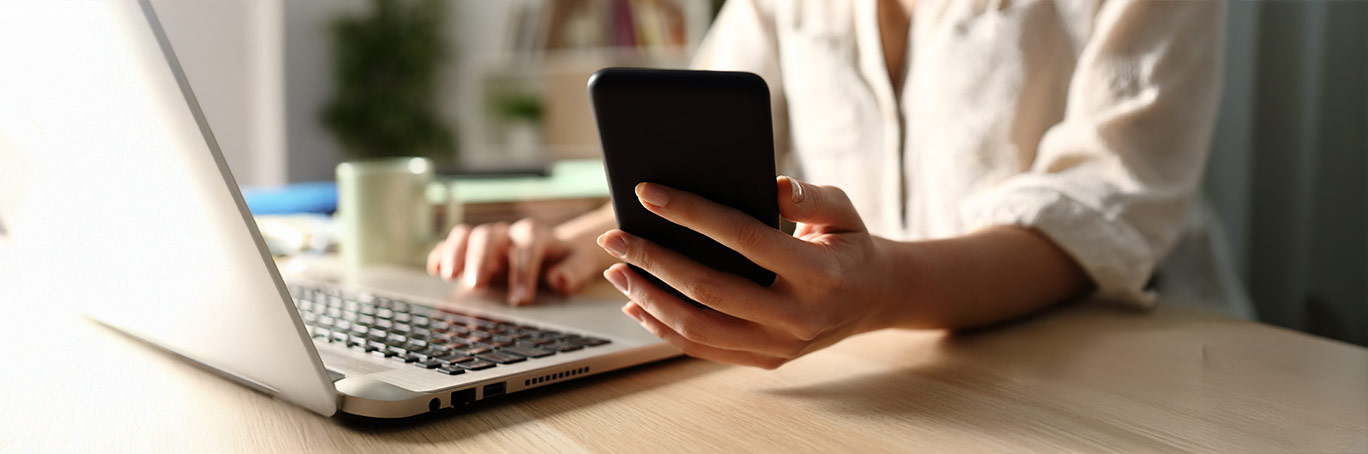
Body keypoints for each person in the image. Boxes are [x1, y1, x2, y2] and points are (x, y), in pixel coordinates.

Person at [428, 0, 1225, 369]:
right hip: (879, 361)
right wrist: (555, 248)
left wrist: (884, 289)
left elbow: (1098, 203)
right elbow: (690, 162)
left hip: (1116, 361)